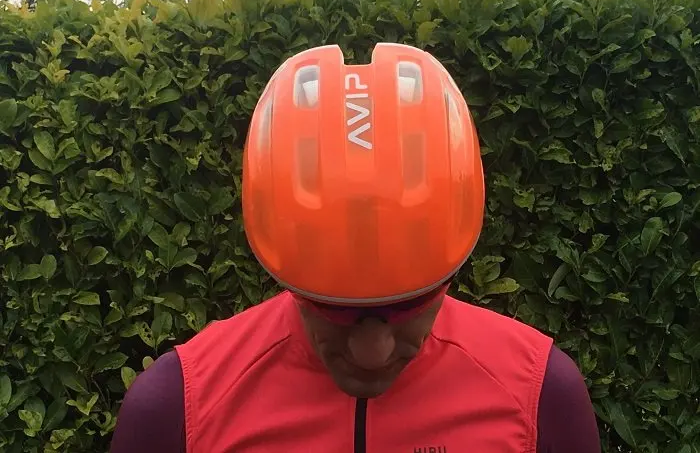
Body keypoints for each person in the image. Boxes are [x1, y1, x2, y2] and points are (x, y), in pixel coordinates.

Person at [110, 43, 601, 453]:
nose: (372, 354)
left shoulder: (539, 396)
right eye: (332, 308)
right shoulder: (176, 409)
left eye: (412, 303)